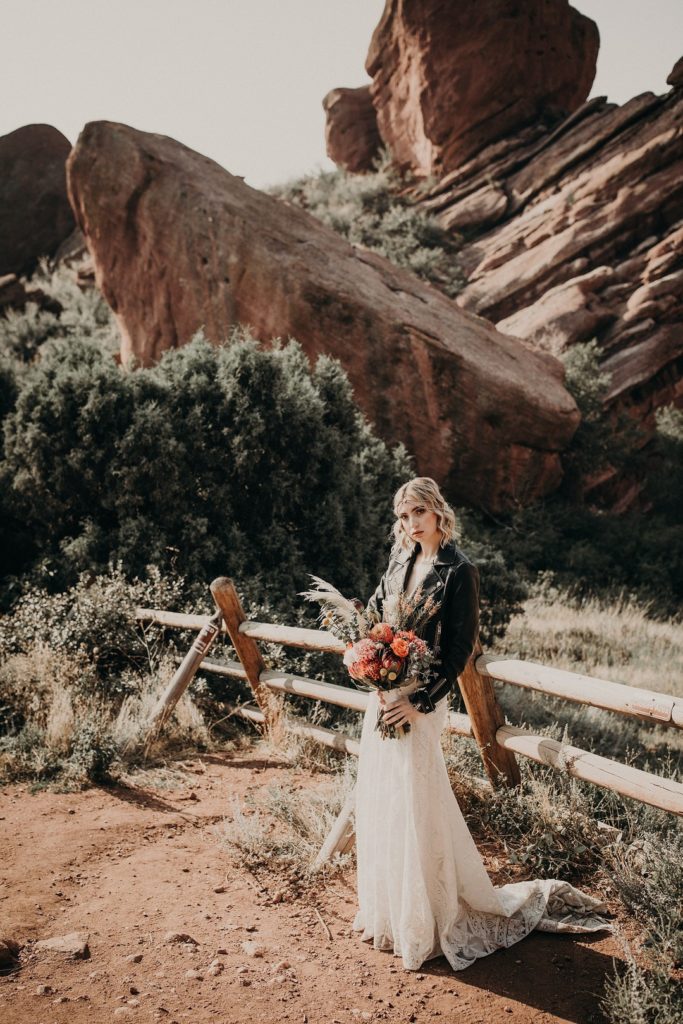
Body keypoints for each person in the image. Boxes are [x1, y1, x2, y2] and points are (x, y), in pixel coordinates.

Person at [352, 476, 610, 972]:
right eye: (403, 516)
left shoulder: (459, 571)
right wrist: (371, 668)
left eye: (418, 513)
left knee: (418, 800)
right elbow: (375, 624)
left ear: (437, 512)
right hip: (384, 696)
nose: (410, 523)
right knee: (384, 796)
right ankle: (391, 910)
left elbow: (457, 651)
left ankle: (432, 915)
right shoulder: (398, 559)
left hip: (419, 704)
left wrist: (419, 702)